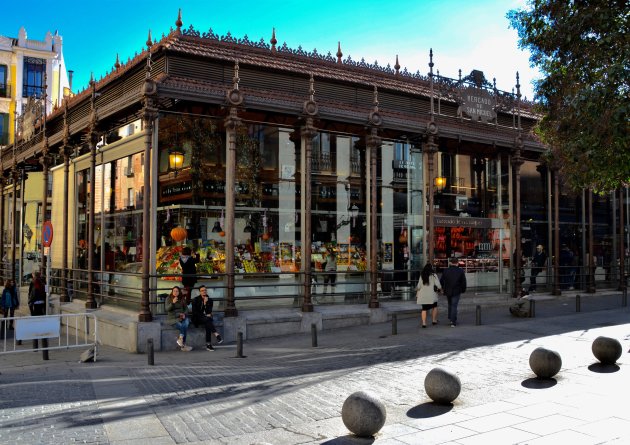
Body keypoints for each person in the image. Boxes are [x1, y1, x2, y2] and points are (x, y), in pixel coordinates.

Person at [191, 285, 223, 351]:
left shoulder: (210, 300)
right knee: (207, 320)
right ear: (199, 292)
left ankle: (209, 344)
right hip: (197, 319)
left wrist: (206, 304)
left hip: (206, 319)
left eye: (205, 290)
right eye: (202, 290)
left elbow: (209, 312)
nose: (204, 291)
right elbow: (195, 312)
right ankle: (216, 336)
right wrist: (204, 304)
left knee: (207, 321)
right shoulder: (195, 300)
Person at [440, 257, 467, 327]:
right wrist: (463, 289)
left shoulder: (446, 270)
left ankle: (451, 318)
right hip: (457, 290)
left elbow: (442, 281)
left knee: (450, 304)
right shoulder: (460, 271)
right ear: (457, 263)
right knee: (454, 306)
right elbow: (463, 282)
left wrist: (442, 289)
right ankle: (453, 321)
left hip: (448, 290)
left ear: (450, 263)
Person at [165, 286, 192, 351]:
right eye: (174, 291)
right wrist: (173, 303)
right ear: (172, 291)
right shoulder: (168, 298)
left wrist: (184, 314)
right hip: (172, 318)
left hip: (182, 317)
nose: (175, 292)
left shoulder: (182, 299)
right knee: (182, 326)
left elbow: (186, 309)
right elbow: (167, 309)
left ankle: (180, 340)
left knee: (186, 322)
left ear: (179, 292)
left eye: (177, 291)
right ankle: (183, 345)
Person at [415, 263, 441, 328]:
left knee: (424, 309)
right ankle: (434, 320)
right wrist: (440, 288)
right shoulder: (433, 275)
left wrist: (416, 290)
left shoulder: (422, 275)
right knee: (434, 307)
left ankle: (424, 323)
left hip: (423, 295)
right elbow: (438, 285)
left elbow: (419, 285)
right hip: (432, 295)